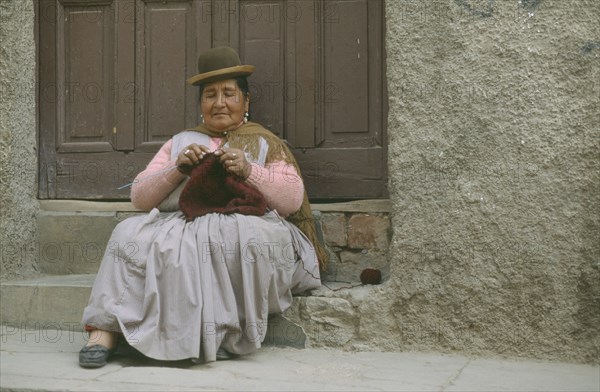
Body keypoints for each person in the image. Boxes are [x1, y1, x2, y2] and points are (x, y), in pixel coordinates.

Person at [79, 47, 326, 368]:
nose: (219, 102)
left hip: (252, 222)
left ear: (246, 102)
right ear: (201, 104)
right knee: (128, 231)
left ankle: (217, 334)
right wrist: (177, 168)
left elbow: (292, 200)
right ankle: (104, 331)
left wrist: (250, 170)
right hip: (182, 221)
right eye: (210, 95)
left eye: (229, 94)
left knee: (231, 235)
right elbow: (139, 197)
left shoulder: (265, 142)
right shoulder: (182, 141)